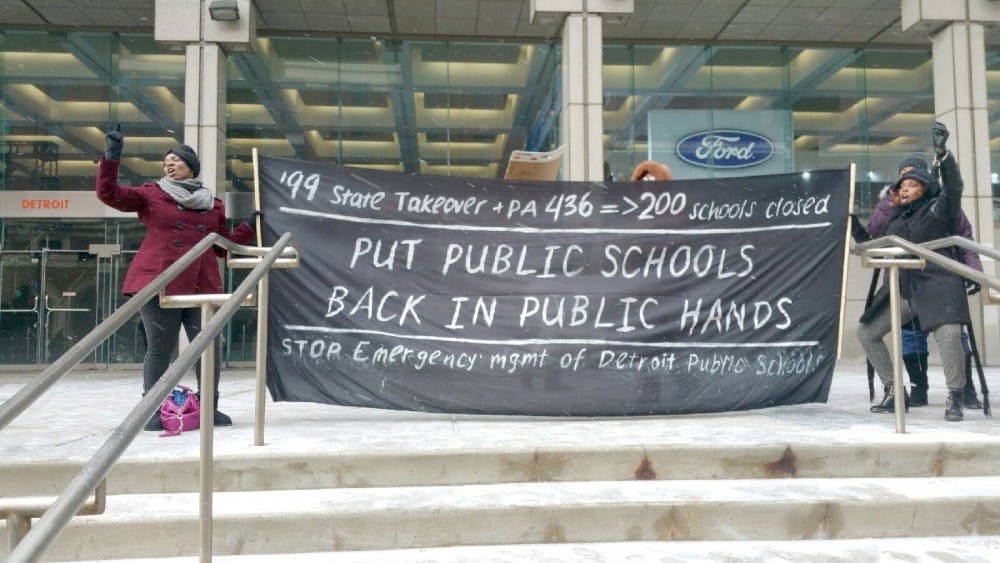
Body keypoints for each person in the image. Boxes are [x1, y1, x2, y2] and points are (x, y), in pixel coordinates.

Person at [96, 124, 257, 431]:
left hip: (202, 285)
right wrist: (112, 156)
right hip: (161, 282)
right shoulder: (151, 195)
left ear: (192, 168)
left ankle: (209, 407)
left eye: (176, 160)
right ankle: (152, 411)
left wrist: (249, 225)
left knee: (209, 346)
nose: (169, 164)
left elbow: (223, 248)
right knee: (161, 347)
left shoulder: (213, 204)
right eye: (166, 161)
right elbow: (110, 194)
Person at [856, 122, 971, 422]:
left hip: (937, 284)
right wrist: (853, 225)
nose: (903, 189)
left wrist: (943, 154)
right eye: (900, 187)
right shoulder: (895, 217)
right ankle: (896, 390)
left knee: (948, 333)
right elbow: (871, 243)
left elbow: (955, 187)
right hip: (903, 287)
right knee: (867, 332)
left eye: (910, 185)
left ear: (924, 188)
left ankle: (955, 394)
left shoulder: (939, 209)